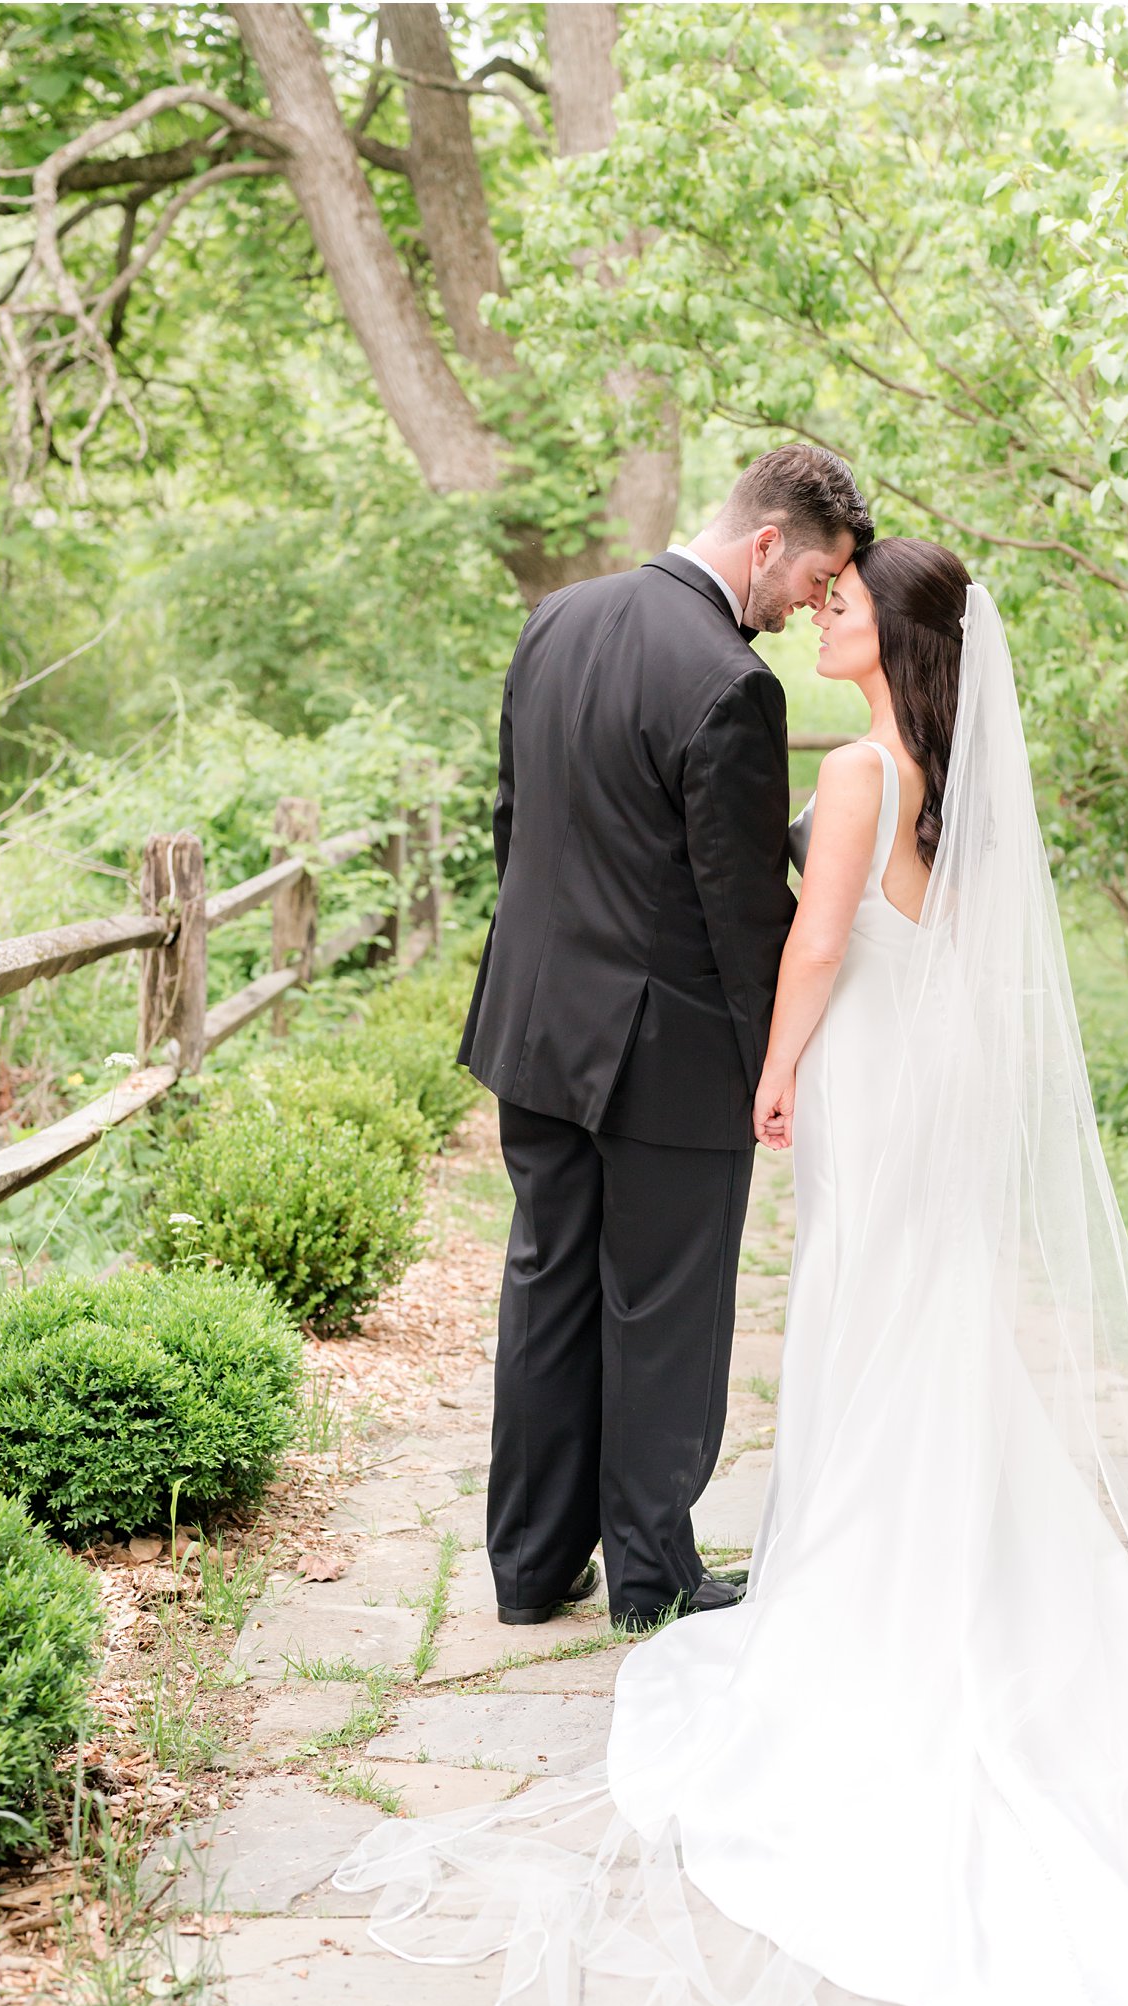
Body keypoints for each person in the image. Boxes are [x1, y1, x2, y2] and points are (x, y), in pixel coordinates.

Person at [340, 537, 1128, 2006]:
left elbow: (813, 948)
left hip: (876, 1080)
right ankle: (934, 1568)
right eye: (817, 595)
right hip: (933, 1081)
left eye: (846, 603)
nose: (823, 614)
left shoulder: (869, 774)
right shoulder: (948, 777)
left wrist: (776, 1068)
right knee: (925, 1331)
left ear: (904, 640)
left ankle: (886, 1597)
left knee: (870, 1323)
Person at [455, 445, 873, 1632]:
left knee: (545, 1286)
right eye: (811, 582)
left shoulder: (555, 620)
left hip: (534, 1029)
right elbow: (741, 911)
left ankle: (529, 1570)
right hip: (666, 1054)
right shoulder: (730, 683)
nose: (805, 612)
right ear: (764, 545)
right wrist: (775, 1060)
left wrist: (544, 984)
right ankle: (651, 1574)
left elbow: (514, 828)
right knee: (662, 1311)